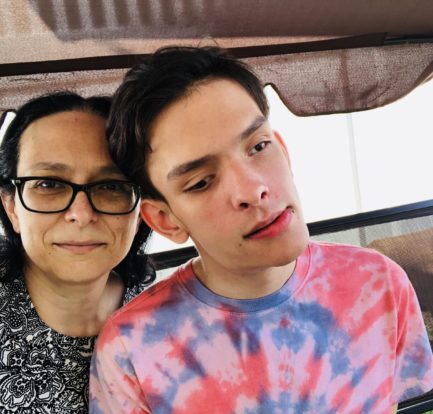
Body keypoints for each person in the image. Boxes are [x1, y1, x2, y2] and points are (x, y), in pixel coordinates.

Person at [89, 47, 433, 414]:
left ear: (283, 150)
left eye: (259, 146)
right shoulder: (132, 348)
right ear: (165, 219)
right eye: (202, 181)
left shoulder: (378, 283)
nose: (253, 190)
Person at [0, 92, 155, 413]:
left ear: (141, 210)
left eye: (111, 186)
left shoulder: (173, 321)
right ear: (11, 206)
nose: (81, 214)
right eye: (48, 184)